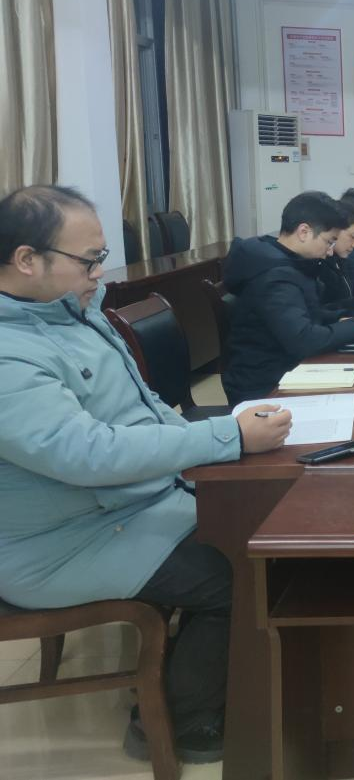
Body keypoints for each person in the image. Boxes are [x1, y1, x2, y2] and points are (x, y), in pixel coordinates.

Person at [0, 185, 291, 765]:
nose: (100, 275)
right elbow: (83, 454)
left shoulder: (74, 313)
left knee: (265, 531)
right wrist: (227, 438)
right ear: (27, 259)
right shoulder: (11, 352)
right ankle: (183, 719)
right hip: (60, 542)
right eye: (89, 261)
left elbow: (146, 407)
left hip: (127, 504)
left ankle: (228, 673)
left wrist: (216, 445)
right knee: (235, 575)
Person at [222, 192, 354, 406]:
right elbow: (305, 340)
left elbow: (306, 313)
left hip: (286, 368)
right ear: (304, 232)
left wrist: (345, 316)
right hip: (264, 385)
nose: (329, 252)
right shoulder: (274, 276)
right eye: (328, 241)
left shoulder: (287, 260)